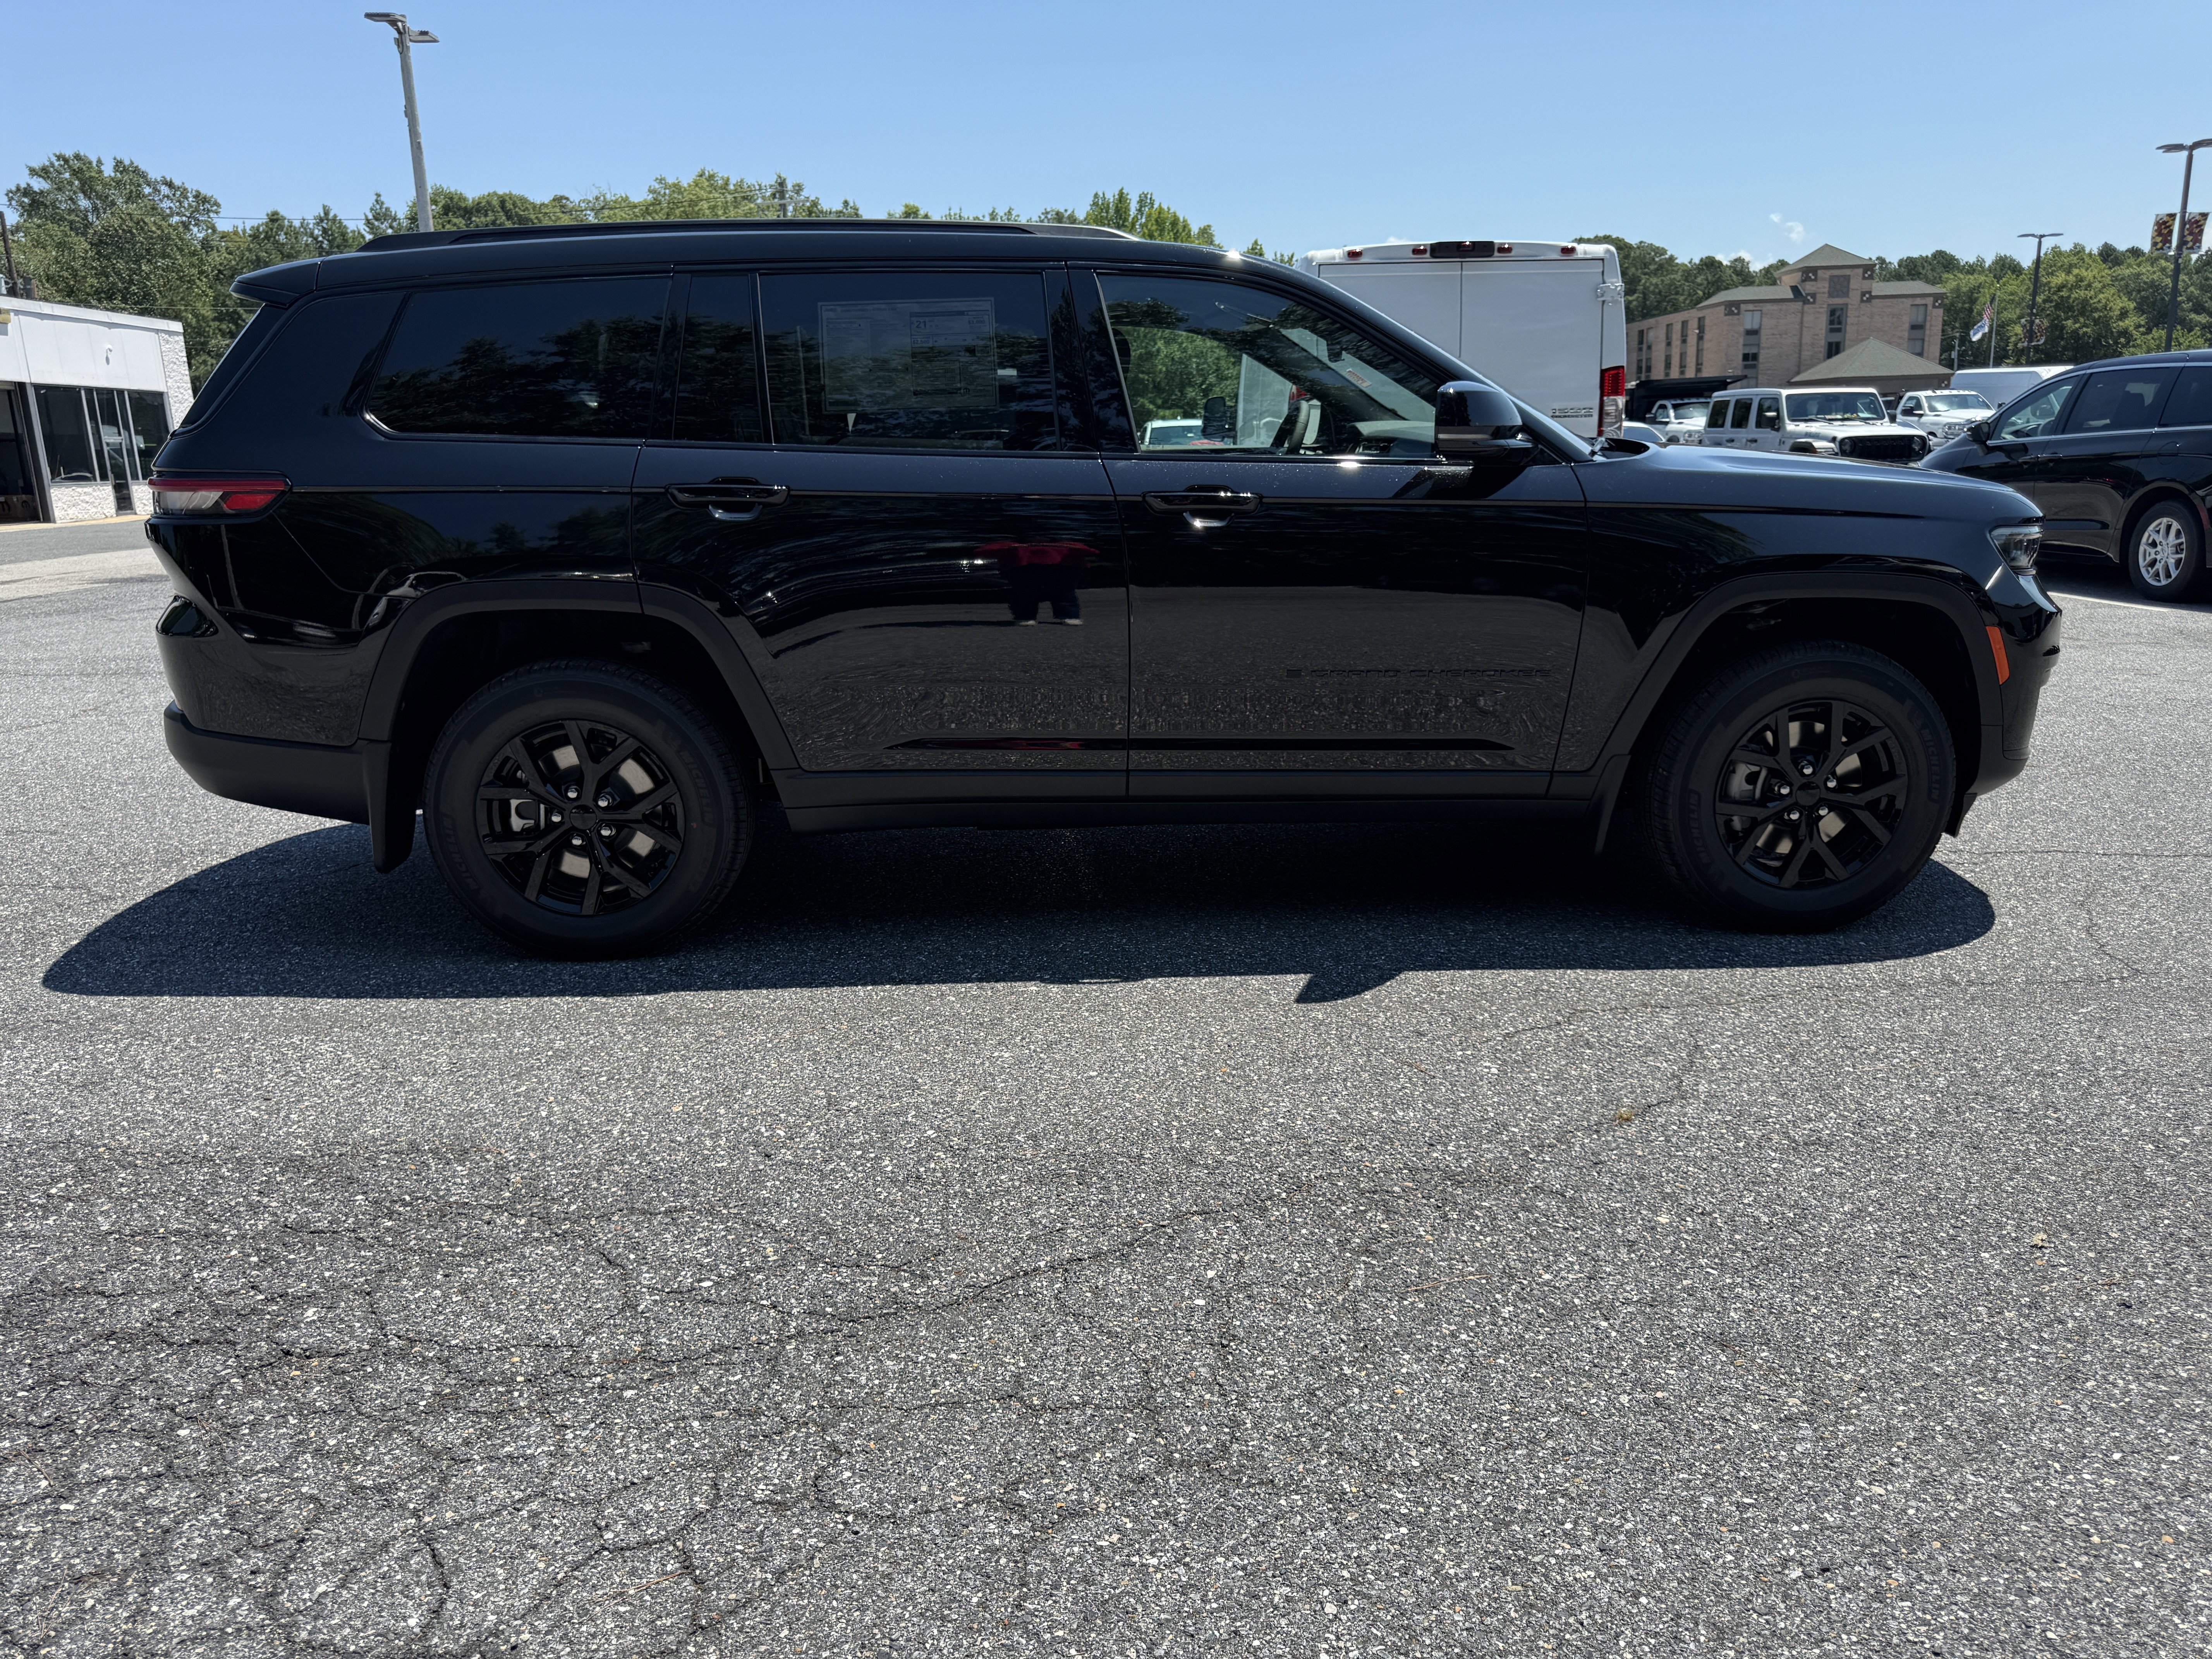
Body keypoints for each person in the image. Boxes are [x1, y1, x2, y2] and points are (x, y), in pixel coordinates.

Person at [981, 539, 1092, 625]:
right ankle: (1027, 616)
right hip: (1048, 554)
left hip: (1054, 553)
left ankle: (1026, 616)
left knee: (1029, 591)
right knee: (1028, 591)